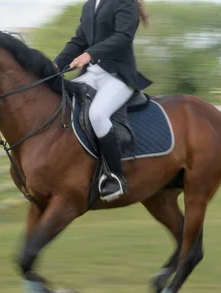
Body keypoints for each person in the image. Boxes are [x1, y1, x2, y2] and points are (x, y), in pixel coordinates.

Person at [54, 0, 152, 202]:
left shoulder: (125, 3)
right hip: (91, 74)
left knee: (97, 114)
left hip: (118, 75)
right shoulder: (89, 5)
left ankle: (115, 176)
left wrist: (90, 54)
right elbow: (79, 40)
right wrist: (56, 64)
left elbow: (123, 37)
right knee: (60, 103)